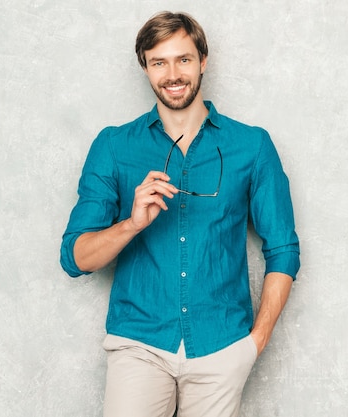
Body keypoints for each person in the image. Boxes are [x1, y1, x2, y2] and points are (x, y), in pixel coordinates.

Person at [60, 11, 300, 417]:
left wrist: (253, 344)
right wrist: (132, 223)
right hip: (139, 345)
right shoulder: (114, 146)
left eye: (183, 59)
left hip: (221, 346)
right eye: (159, 62)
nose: (173, 73)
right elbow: (75, 259)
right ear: (145, 67)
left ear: (203, 61)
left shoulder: (253, 146)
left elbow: (283, 249)